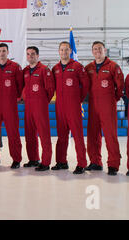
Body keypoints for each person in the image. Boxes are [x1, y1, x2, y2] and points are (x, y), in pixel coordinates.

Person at [85, 41, 124, 176]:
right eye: (95, 49)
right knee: (92, 135)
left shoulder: (113, 66)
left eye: (100, 49)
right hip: (93, 104)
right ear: (92, 52)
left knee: (110, 135)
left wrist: (113, 99)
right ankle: (95, 162)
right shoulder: (88, 67)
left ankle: (113, 164)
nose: (97, 51)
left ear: (105, 50)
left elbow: (120, 87)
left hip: (108, 104)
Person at [51, 41, 89, 174]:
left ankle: (82, 163)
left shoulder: (77, 66)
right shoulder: (55, 68)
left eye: (66, 50)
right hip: (60, 106)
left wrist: (78, 99)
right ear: (58, 51)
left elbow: (85, 85)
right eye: (61, 50)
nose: (64, 52)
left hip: (73, 106)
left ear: (70, 51)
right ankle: (61, 162)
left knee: (77, 136)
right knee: (61, 136)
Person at [0, 43, 24, 169]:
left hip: (10, 104)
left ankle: (16, 159)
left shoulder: (15, 67)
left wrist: (14, 98)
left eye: (3, 51)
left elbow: (20, 86)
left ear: (8, 52)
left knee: (13, 132)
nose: (1, 53)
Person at [21, 46, 55, 171]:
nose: (30, 56)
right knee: (29, 134)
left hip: (40, 105)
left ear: (38, 55)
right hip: (28, 105)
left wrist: (43, 101)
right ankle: (33, 159)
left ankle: (45, 162)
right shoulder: (25, 71)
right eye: (28, 54)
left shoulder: (44, 70)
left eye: (33, 54)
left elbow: (50, 89)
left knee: (44, 134)